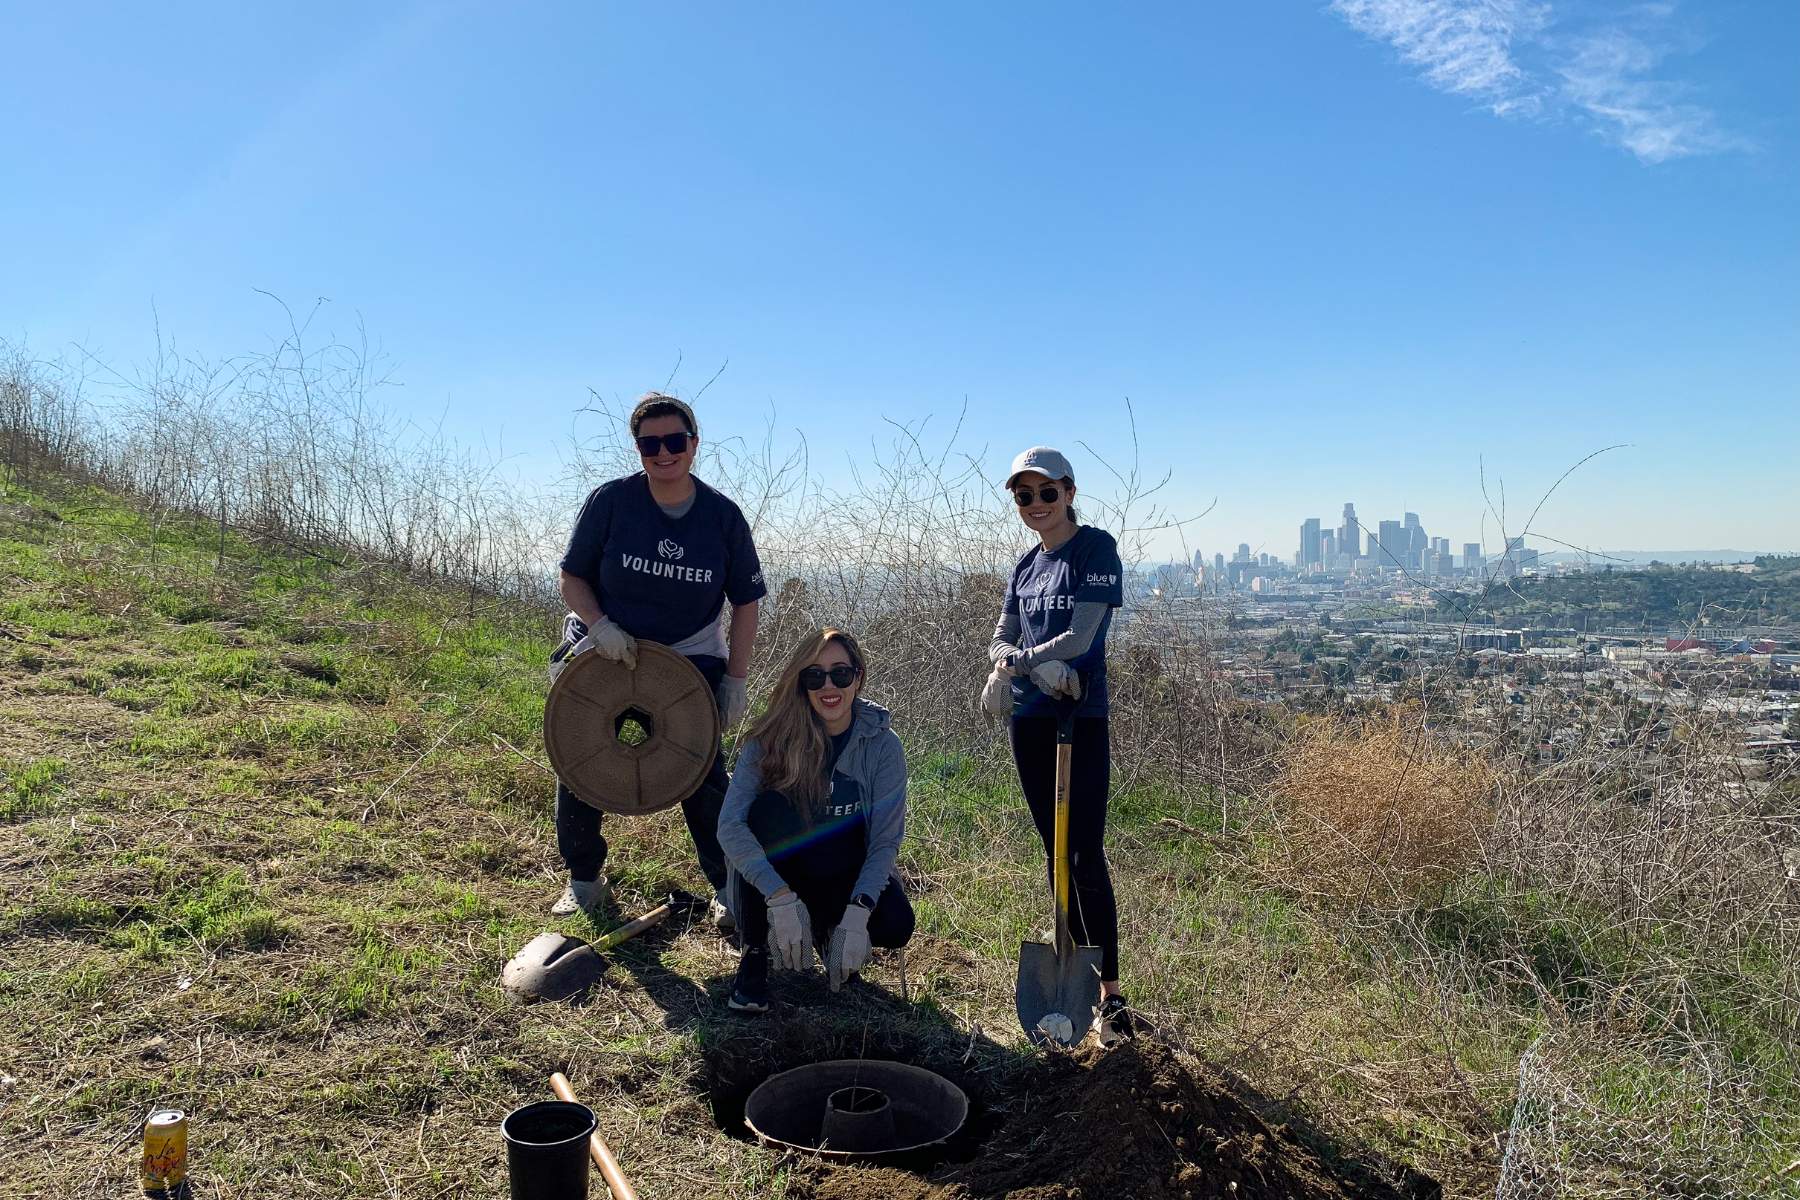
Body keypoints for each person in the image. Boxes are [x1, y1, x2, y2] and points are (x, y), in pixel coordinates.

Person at [548, 392, 765, 922]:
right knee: (581, 754)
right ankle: (584, 881)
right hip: (607, 647)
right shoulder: (612, 501)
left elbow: (747, 602)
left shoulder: (722, 517)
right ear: (639, 448)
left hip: (688, 654)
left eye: (674, 441)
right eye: (651, 444)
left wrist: (735, 679)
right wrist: (599, 627)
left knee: (702, 769)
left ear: (694, 444)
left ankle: (726, 887)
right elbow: (572, 576)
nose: (663, 453)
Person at [980, 446, 1133, 1044]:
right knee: (1053, 849)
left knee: (1085, 853)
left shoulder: (1095, 548)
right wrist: (1010, 667)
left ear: (1069, 491)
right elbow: (1002, 633)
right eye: (1024, 496)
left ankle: (1110, 992)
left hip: (1079, 717)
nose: (1036, 505)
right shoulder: (1024, 567)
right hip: (1032, 719)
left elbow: (1084, 634)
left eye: (1047, 492)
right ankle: (1066, 967)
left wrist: (1023, 663)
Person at [716, 628, 913, 1012]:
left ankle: (828, 930)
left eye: (840, 673)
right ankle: (756, 953)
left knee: (895, 924)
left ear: (858, 677)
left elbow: (885, 841)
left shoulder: (883, 745)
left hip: (843, 868)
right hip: (783, 873)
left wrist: (858, 913)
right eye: (814, 675)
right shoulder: (769, 739)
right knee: (766, 811)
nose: (829, 686)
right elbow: (731, 826)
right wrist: (779, 897)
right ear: (801, 683)